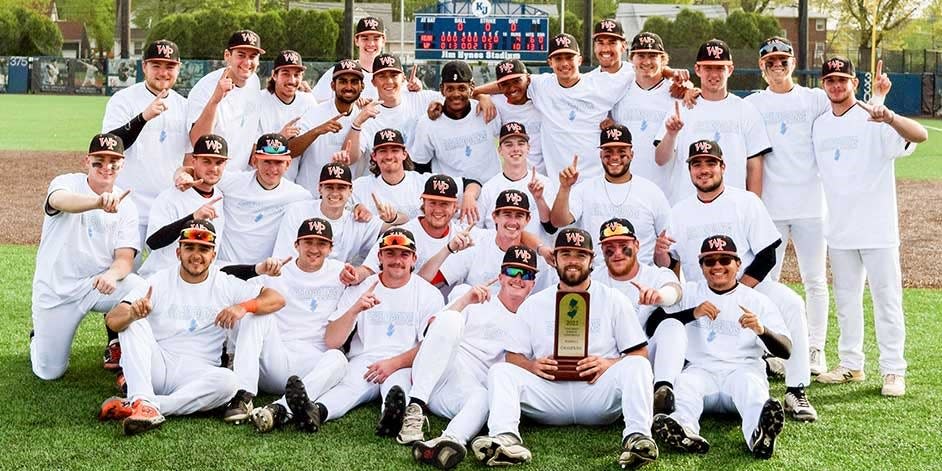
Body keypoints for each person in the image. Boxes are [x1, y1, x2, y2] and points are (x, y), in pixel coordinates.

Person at [654, 139, 817, 422]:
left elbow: (768, 254)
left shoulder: (745, 201)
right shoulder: (679, 211)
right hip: (701, 289)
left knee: (791, 303)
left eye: (710, 163)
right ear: (690, 170)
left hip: (748, 284)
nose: (704, 170)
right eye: (697, 164)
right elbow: (673, 262)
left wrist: (739, 291)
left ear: (723, 167)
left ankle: (797, 389)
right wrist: (661, 256)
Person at [470, 228, 658, 469]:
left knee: (638, 365)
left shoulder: (612, 299)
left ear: (591, 260)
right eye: (566, 254)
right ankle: (506, 438)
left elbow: (639, 352)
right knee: (500, 371)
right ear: (555, 258)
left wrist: (607, 363)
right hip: (550, 393)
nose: (572, 261)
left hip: (596, 392)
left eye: (580, 255)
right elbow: (512, 356)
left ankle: (638, 438)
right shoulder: (534, 303)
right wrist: (531, 365)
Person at [97, 219, 285, 435]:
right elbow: (113, 319)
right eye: (190, 247)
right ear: (178, 253)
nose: (196, 255)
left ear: (213, 255)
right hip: (157, 367)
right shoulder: (158, 281)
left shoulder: (224, 282)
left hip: (198, 372)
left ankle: (147, 405)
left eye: (204, 249)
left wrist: (243, 307)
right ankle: (142, 397)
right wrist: (132, 313)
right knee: (132, 323)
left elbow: (276, 298)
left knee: (229, 381)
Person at [811, 56, 927, 397]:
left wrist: (887, 114)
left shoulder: (873, 116)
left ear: (853, 81)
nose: (836, 85)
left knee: (886, 300)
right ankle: (851, 364)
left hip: (878, 229)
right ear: (823, 84)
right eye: (830, 80)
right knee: (846, 301)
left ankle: (893, 370)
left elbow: (919, 136)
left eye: (842, 79)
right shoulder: (820, 124)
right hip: (840, 230)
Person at [284, 228, 444, 436]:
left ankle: (392, 416)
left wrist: (393, 364)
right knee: (348, 388)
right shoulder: (362, 287)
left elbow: (430, 346)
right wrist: (354, 310)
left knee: (397, 388)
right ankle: (316, 413)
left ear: (414, 259)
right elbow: (332, 340)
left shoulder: (428, 293)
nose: (397, 260)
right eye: (390, 253)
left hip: (405, 361)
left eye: (404, 254)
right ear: (379, 256)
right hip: (365, 359)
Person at [652, 235, 791, 460]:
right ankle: (684, 431)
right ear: (701, 266)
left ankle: (759, 435)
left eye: (725, 260)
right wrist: (692, 313)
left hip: (741, 370)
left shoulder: (756, 300)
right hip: (701, 370)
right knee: (685, 386)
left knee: (753, 391)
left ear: (738, 264)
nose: (717, 266)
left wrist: (762, 330)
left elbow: (785, 350)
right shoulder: (689, 292)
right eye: (710, 261)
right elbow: (655, 324)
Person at [399, 247, 539, 469]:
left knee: (483, 398)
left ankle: (447, 442)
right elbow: (433, 332)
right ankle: (415, 407)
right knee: (452, 319)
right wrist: (465, 300)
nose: (519, 279)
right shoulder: (475, 296)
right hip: (436, 371)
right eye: (513, 271)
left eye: (527, 275)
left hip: (461, 391)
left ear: (533, 284)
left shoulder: (529, 322)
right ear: (501, 276)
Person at [743, 37, 833, 375]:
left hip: (811, 204)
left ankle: (815, 349)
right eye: (770, 62)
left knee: (815, 279)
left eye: (783, 61)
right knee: (769, 281)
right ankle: (775, 349)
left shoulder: (813, 99)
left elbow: (847, 105)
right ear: (761, 67)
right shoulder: (752, 104)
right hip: (771, 210)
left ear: (793, 63)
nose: (777, 67)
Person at [30, 133, 146, 381]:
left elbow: (125, 258)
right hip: (56, 290)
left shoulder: (127, 205)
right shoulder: (67, 182)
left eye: (113, 161)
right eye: (99, 161)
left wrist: (112, 275)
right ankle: (38, 340)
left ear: (122, 164)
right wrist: (97, 202)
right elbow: (59, 201)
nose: (107, 167)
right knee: (49, 372)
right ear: (87, 161)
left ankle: (128, 354)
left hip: (96, 285)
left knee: (141, 289)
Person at [223, 218, 349, 429]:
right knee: (257, 312)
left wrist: (359, 275)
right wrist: (258, 269)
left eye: (321, 244)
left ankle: (279, 409)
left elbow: (378, 278)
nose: (314, 249)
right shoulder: (278, 270)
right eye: (308, 242)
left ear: (331, 248)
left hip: (311, 364)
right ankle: (243, 394)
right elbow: (223, 274)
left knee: (339, 359)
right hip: (275, 356)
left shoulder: (341, 272)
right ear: (296, 244)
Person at [655, 38, 771, 204]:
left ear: (730, 69)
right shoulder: (682, 108)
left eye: (720, 68)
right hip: (687, 206)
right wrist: (671, 135)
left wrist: (754, 207)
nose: (714, 74)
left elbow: (754, 167)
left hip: (733, 207)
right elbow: (660, 159)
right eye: (708, 67)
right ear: (697, 69)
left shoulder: (746, 110)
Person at [101, 39, 189, 249]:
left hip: (169, 207)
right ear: (144, 67)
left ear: (179, 67)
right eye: (156, 65)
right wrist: (143, 117)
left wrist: (187, 173)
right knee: (125, 273)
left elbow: (189, 155)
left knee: (169, 276)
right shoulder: (123, 100)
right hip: (129, 205)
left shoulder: (185, 105)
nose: (163, 72)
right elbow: (110, 146)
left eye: (170, 66)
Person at [175, 133, 312, 265]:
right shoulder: (234, 182)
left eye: (278, 162)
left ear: (288, 164)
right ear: (254, 161)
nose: (272, 168)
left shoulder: (299, 196)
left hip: (263, 271)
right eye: (267, 162)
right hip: (224, 266)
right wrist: (182, 175)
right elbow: (196, 171)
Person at [592, 218, 683, 414]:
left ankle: (662, 392)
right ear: (602, 251)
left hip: (645, 358)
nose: (617, 253)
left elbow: (675, 291)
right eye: (609, 248)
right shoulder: (593, 280)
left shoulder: (654, 274)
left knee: (673, 327)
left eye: (623, 246)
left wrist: (660, 296)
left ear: (637, 245)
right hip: (608, 363)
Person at [551, 124, 670, 266]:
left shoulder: (652, 192)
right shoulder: (585, 189)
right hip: (597, 278)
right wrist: (565, 187)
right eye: (608, 151)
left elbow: (668, 249)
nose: (614, 157)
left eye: (621, 151)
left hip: (641, 276)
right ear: (600, 155)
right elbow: (558, 221)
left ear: (632, 154)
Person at [412, 60, 502, 224]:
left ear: (471, 87)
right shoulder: (428, 123)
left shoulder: (487, 111)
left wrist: (484, 96)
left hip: (491, 197)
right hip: (452, 202)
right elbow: (419, 167)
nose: (456, 94)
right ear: (441, 89)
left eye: (462, 88)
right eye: (450, 88)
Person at [418, 189, 554, 292]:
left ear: (527, 220)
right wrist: (448, 249)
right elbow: (426, 280)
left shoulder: (539, 257)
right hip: (475, 318)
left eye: (519, 216)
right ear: (495, 216)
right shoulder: (477, 242)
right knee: (461, 291)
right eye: (507, 215)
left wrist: (540, 248)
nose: (513, 222)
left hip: (515, 323)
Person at [140, 134, 228, 278]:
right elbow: (153, 242)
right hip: (161, 276)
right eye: (206, 161)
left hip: (199, 280)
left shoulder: (221, 195)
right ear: (194, 161)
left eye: (219, 162)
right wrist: (193, 218)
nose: (213, 168)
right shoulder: (170, 196)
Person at [609, 32, 680, 193]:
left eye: (653, 56)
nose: (646, 61)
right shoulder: (619, 89)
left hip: (665, 191)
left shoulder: (677, 93)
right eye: (640, 55)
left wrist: (688, 87)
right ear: (631, 58)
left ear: (663, 60)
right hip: (624, 189)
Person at [273, 162, 383, 264]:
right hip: (297, 277)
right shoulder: (298, 211)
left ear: (350, 191)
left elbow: (393, 227)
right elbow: (283, 259)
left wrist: (392, 217)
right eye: (329, 187)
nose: (335, 193)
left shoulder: (357, 218)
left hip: (337, 282)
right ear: (320, 188)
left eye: (341, 188)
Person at [342, 54, 439, 165]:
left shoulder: (418, 98)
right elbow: (348, 158)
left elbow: (455, 99)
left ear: (403, 78)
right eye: (382, 76)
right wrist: (357, 122)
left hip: (416, 174)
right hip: (380, 177)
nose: (389, 81)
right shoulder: (367, 114)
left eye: (394, 75)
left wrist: (437, 107)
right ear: (373, 82)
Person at [187, 30, 264, 170]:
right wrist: (215, 101)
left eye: (253, 56)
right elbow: (197, 141)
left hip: (241, 177)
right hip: (213, 177)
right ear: (227, 56)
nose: (247, 62)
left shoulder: (254, 81)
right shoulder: (205, 88)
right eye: (241, 55)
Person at [476, 122, 555, 243]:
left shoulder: (544, 183)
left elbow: (551, 228)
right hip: (500, 258)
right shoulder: (489, 188)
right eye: (509, 145)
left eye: (521, 143)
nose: (516, 149)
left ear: (528, 148)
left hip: (537, 258)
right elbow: (476, 230)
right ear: (500, 150)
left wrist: (539, 199)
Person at [291, 59, 364, 188]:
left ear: (362, 86)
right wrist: (317, 131)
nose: (348, 87)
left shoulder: (363, 118)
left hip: (341, 198)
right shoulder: (314, 112)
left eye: (354, 82)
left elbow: (355, 158)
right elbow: (291, 150)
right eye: (342, 81)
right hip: (309, 194)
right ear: (332, 85)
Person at [257, 50, 319, 182]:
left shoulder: (308, 101)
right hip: (262, 182)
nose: (292, 80)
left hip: (293, 183)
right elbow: (252, 152)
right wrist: (280, 138)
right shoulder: (259, 100)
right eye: (285, 74)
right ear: (274, 75)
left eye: (297, 75)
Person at [352, 128, 436, 221]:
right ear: (374, 156)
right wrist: (355, 207)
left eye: (395, 150)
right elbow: (337, 205)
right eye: (383, 151)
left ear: (404, 154)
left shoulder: (424, 183)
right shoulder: (360, 186)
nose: (389, 156)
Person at [312, 16, 388, 102]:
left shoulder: (392, 76)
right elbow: (315, 103)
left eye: (376, 39)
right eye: (365, 39)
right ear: (356, 40)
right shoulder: (339, 71)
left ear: (383, 41)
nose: (371, 44)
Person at [489, 59, 544, 173]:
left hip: (545, 177)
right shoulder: (496, 103)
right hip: (512, 178)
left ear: (528, 80)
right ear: (499, 86)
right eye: (505, 84)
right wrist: (482, 97)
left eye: (516, 81)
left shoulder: (541, 98)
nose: (512, 88)